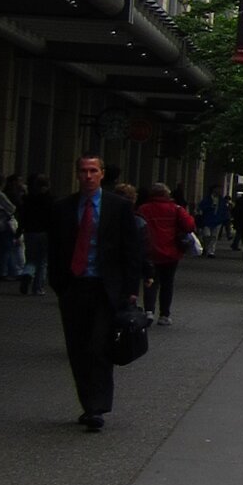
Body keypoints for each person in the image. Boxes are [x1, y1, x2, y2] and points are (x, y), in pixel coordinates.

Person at [48, 153, 147, 431]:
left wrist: (131, 288)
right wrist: (58, 283)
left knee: (98, 346)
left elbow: (131, 250)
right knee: (77, 348)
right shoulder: (63, 208)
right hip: (74, 286)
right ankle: (87, 403)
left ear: (102, 174)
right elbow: (55, 248)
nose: (88, 176)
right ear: (77, 174)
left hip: (105, 288)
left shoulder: (118, 207)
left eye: (93, 171)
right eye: (83, 171)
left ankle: (97, 407)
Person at [136, 179, 197, 323]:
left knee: (150, 281)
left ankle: (149, 311)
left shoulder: (143, 209)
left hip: (150, 251)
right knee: (167, 283)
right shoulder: (176, 209)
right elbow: (190, 226)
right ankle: (164, 314)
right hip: (171, 251)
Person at [19, 173, 53, 296]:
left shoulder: (28, 199)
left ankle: (27, 273)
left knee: (31, 258)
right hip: (45, 232)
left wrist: (19, 230)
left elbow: (23, 216)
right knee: (42, 261)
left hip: (30, 231)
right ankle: (38, 288)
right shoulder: (50, 199)